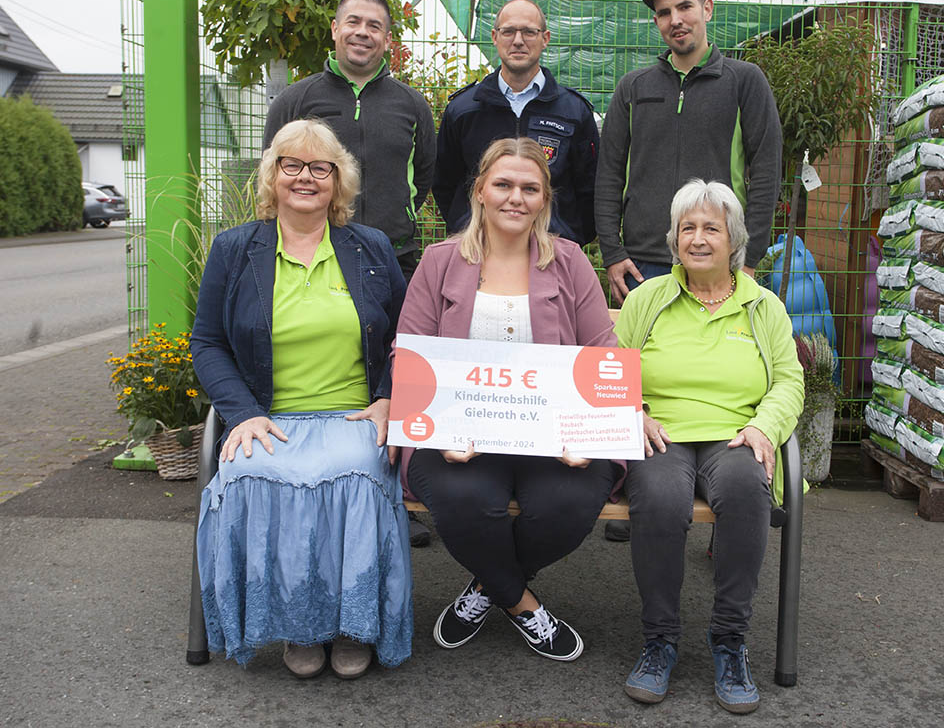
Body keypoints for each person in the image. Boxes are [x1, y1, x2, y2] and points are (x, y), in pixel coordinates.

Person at [191, 119, 412, 679]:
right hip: (269, 415)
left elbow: (405, 337)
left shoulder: (371, 248)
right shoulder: (234, 250)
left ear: (339, 182)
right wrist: (242, 414)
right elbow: (208, 342)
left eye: (321, 168)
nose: (306, 177)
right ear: (272, 175)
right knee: (249, 474)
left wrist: (388, 398)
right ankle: (296, 624)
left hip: (353, 413)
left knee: (358, 472)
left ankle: (352, 624)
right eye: (292, 165)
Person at [398, 137, 621, 662]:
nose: (514, 197)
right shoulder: (438, 263)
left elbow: (602, 355)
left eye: (529, 187)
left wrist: (586, 436)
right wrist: (444, 433)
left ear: (545, 199)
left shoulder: (569, 263)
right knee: (464, 499)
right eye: (502, 184)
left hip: (554, 438)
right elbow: (409, 356)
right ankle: (522, 604)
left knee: (566, 504)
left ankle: (486, 588)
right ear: (479, 191)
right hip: (459, 434)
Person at [594, 0, 783, 542]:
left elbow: (767, 168)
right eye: (663, 13)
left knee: (723, 375)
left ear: (707, 9)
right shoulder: (633, 88)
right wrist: (612, 251)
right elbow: (609, 172)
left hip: (722, 261)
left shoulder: (744, 81)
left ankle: (728, 499)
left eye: (684, 7)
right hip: (644, 265)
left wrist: (746, 258)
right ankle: (641, 485)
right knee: (637, 382)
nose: (674, 20)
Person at [614, 180, 803, 714]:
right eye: (687, 228)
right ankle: (660, 642)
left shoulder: (763, 306)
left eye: (711, 228)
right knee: (658, 495)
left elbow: (789, 379)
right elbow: (613, 373)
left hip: (736, 434)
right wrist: (637, 413)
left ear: (734, 239)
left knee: (747, 488)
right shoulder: (646, 299)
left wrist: (766, 427)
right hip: (663, 434)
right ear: (674, 239)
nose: (698, 239)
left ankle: (729, 641)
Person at [263, 0, 436, 547]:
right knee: (341, 356)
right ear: (335, 31)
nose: (363, 32)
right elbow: (277, 171)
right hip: (313, 250)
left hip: (394, 254)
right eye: (353, 22)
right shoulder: (296, 98)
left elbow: (426, 177)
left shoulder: (411, 105)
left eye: (375, 26)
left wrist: (401, 217)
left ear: (388, 39)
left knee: (393, 364)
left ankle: (395, 488)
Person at [433, 0, 599, 245]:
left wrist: (565, 237)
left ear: (546, 38)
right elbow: (445, 184)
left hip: (552, 251)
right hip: (478, 249)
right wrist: (466, 227)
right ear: (494, 36)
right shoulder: (464, 110)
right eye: (508, 31)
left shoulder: (574, 112)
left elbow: (590, 190)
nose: (518, 40)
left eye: (529, 32)